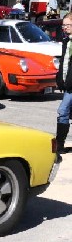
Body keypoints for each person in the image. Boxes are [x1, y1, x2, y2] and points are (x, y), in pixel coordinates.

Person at [55, 12, 72, 153]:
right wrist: (60, 79)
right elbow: (64, 63)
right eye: (64, 25)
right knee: (64, 113)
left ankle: (59, 145)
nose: (65, 27)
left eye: (68, 25)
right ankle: (59, 145)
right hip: (68, 86)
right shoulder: (67, 41)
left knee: (63, 111)